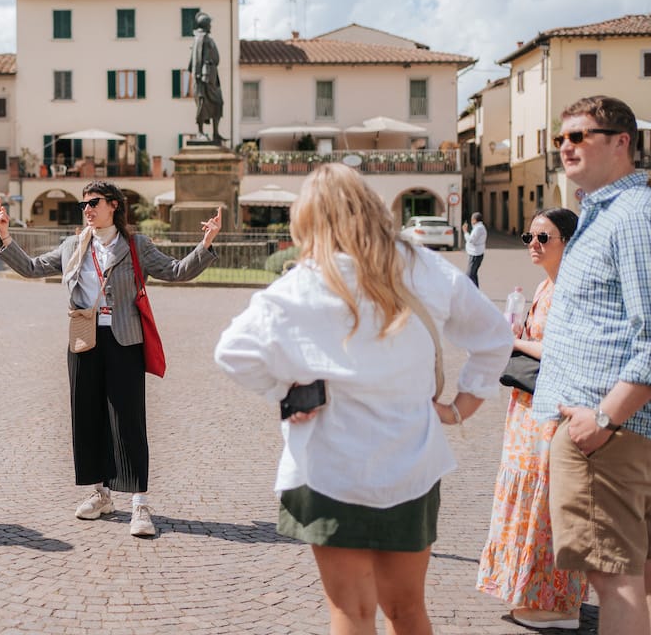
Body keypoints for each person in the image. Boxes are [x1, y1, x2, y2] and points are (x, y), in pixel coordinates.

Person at [214, 164, 511, 635]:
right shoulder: (421, 265)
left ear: (306, 219)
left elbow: (233, 352)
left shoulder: (301, 284)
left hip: (327, 465)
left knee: (351, 612)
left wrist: (286, 390)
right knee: (408, 609)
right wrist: (463, 404)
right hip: (411, 459)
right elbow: (495, 335)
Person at [0, 181, 222, 537]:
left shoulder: (136, 246)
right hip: (84, 340)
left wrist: (206, 243)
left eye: (94, 202)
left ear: (114, 205)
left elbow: (177, 271)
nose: (87, 209)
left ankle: (140, 504)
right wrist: (6, 236)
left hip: (124, 340)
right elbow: (34, 267)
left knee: (129, 420)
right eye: (84, 204)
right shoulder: (73, 245)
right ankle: (101, 494)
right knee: (87, 416)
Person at [531, 96, 651, 635]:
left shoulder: (632, 215)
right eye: (561, 138)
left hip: (607, 433)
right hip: (605, 429)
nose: (566, 147)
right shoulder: (602, 213)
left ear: (621, 141)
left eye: (580, 136)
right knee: (633, 576)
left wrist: (602, 420)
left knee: (614, 580)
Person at [476, 208, 586, 630]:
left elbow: (561, 349)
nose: (534, 245)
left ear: (568, 242)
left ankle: (556, 603)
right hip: (528, 407)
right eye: (529, 237)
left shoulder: (571, 290)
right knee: (527, 497)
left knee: (546, 502)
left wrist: (515, 339)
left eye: (544, 237)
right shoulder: (545, 285)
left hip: (551, 411)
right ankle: (529, 591)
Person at [188, 11, 224, 142]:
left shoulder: (208, 38)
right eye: (210, 24)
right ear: (205, 24)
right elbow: (196, 58)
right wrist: (198, 76)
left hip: (212, 77)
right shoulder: (200, 38)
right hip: (203, 77)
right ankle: (200, 132)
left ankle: (215, 133)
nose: (211, 26)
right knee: (202, 104)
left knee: (218, 103)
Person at [462, 212, 487, 286]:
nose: (471, 221)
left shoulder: (478, 228)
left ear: (474, 220)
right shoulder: (478, 227)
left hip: (475, 254)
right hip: (476, 253)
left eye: (472, 219)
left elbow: (471, 240)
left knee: (469, 274)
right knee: (473, 274)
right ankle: (476, 292)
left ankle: (470, 292)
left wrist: (465, 231)